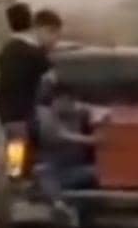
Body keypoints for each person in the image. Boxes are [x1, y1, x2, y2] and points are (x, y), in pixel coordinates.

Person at [34, 81, 102, 210]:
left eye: (68, 100)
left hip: (75, 169)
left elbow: (95, 109)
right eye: (61, 100)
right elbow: (60, 135)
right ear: (53, 101)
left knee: (100, 172)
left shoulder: (76, 111)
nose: (65, 104)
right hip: (55, 169)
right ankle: (59, 205)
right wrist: (91, 140)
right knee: (43, 172)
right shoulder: (44, 115)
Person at [0, 2, 50, 129]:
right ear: (31, 22)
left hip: (11, 120)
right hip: (36, 118)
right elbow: (51, 82)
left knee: (15, 147)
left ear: (9, 24)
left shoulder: (5, 53)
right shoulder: (37, 53)